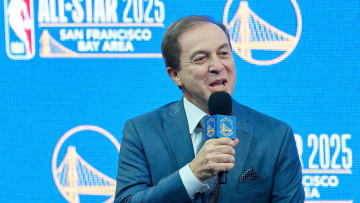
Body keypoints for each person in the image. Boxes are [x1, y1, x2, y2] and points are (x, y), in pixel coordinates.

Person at [114, 15, 304, 203]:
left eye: (223, 53)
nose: (217, 65)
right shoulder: (142, 132)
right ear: (175, 75)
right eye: (201, 58)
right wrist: (192, 174)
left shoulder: (276, 136)